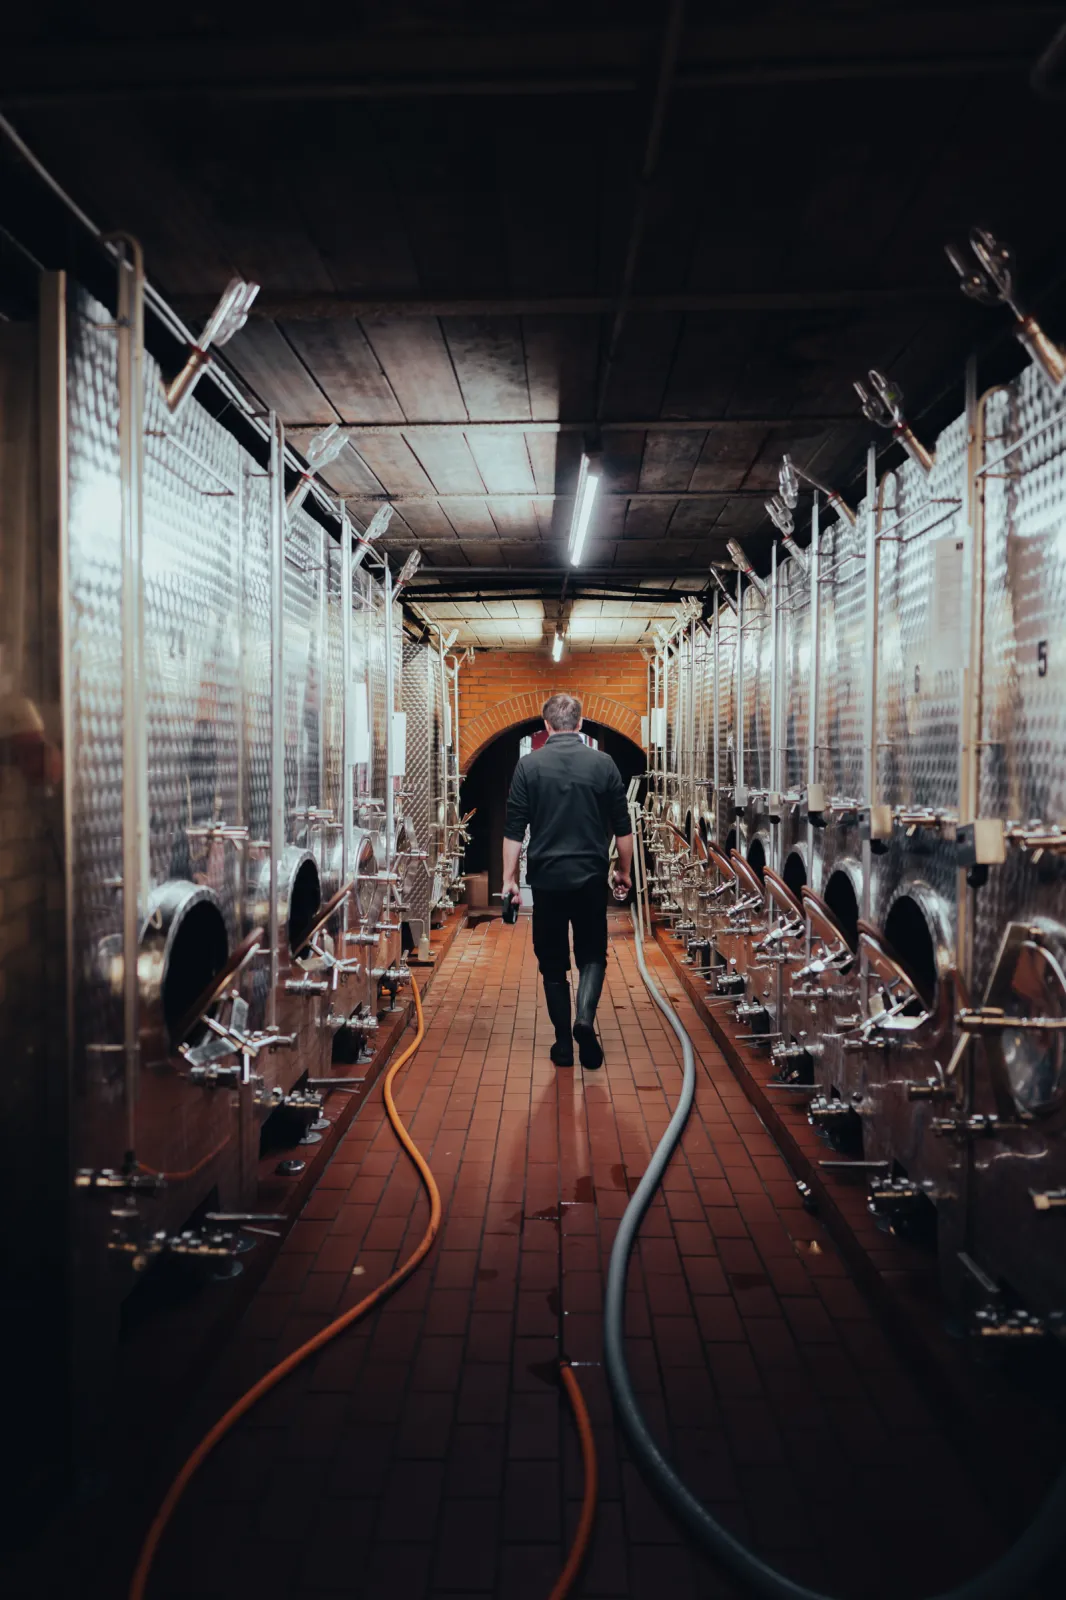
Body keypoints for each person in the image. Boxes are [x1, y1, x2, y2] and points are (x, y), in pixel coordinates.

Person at [502, 693, 633, 1069]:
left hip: (546, 881)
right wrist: (623, 871)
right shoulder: (603, 764)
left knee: (552, 962)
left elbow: (514, 830)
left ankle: (563, 1044)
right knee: (592, 954)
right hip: (590, 877)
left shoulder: (528, 766)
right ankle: (584, 1020)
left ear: (546, 725)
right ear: (580, 723)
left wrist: (509, 879)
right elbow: (623, 828)